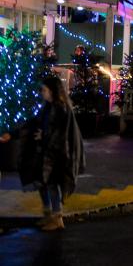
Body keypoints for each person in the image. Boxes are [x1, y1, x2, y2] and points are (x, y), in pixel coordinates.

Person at [1, 75, 85, 231]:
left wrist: (44, 135)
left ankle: (57, 218)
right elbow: (34, 124)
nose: (42, 93)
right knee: (42, 183)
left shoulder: (61, 109)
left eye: (44, 90)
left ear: (53, 91)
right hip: (45, 153)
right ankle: (48, 214)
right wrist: (12, 134)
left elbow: (62, 134)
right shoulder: (48, 107)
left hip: (56, 155)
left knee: (52, 184)